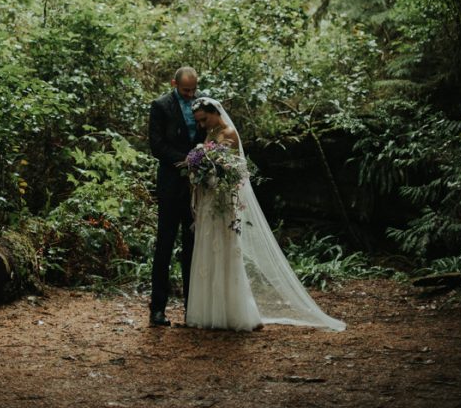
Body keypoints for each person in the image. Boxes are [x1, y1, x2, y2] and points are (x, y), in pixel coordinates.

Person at [185, 97, 346, 333]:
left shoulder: (228, 133)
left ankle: (231, 312)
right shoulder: (211, 133)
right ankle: (210, 311)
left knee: (225, 252)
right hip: (211, 201)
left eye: (204, 119)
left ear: (214, 111)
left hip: (223, 201)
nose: (202, 126)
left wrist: (208, 169)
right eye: (198, 122)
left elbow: (232, 171)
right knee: (209, 250)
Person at [148, 66, 206, 327]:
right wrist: (185, 161)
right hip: (171, 185)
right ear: (174, 84)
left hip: (198, 188)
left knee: (193, 247)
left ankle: (192, 309)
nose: (191, 94)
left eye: (194, 89)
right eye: (186, 90)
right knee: (165, 245)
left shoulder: (204, 103)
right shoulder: (160, 106)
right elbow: (156, 145)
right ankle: (157, 309)